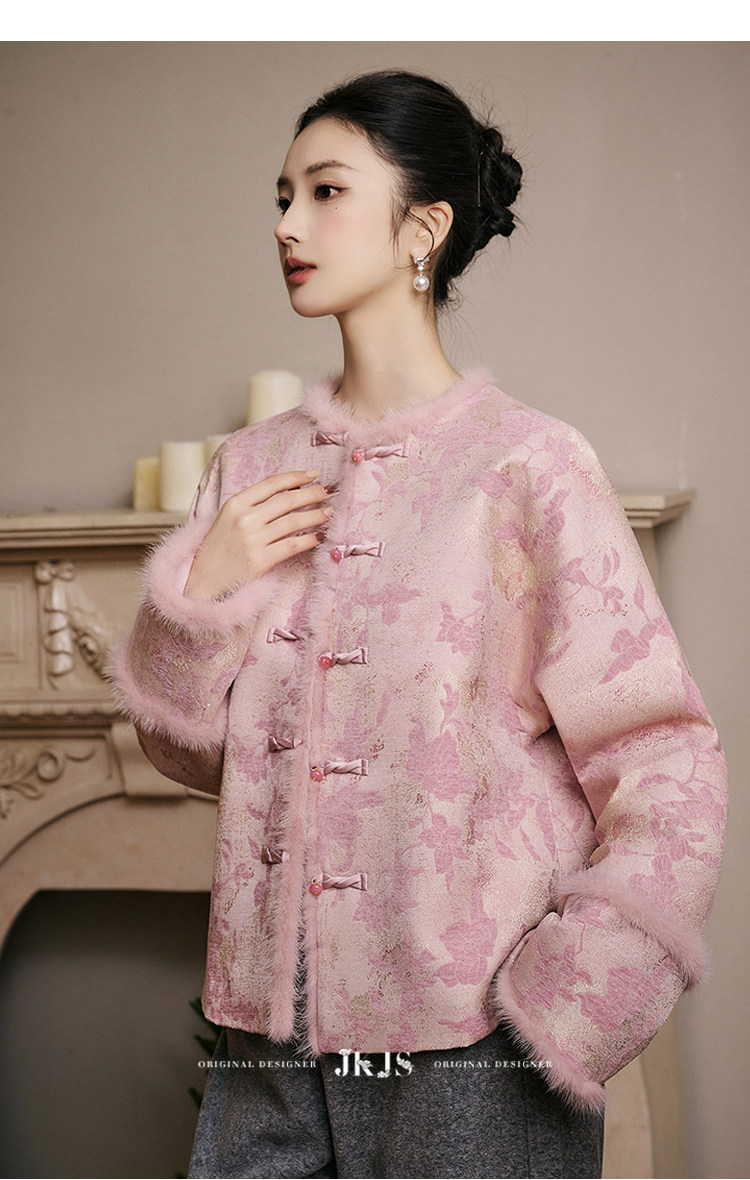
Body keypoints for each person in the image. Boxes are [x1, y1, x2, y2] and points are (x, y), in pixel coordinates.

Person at [110, 71, 728, 1179]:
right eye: (282, 196)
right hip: (268, 1037)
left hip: (473, 1039)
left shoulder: (528, 466)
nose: (286, 224)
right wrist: (201, 593)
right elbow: (193, 755)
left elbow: (664, 756)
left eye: (325, 191)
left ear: (424, 230)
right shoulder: (249, 471)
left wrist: (576, 995)